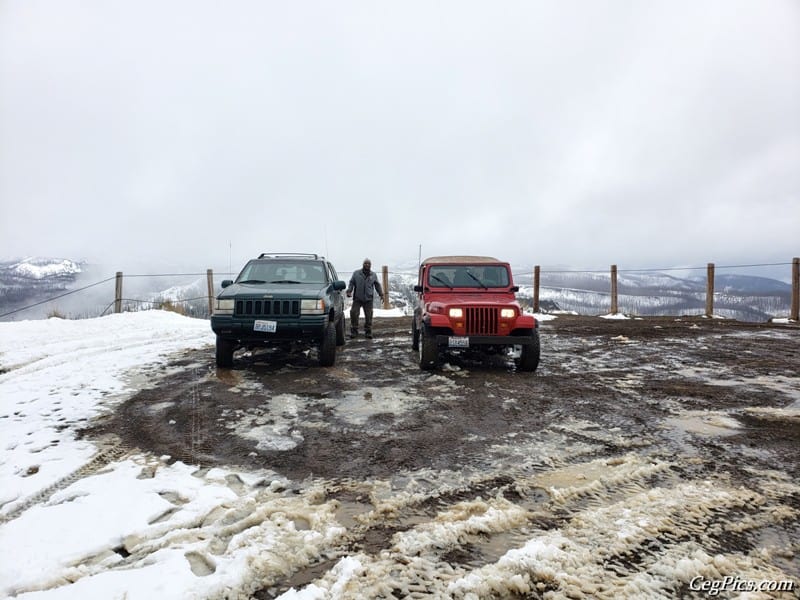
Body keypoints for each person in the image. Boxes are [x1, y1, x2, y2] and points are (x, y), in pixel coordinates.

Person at [346, 258, 385, 339]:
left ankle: (368, 331)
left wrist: (381, 294)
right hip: (357, 298)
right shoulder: (356, 273)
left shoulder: (373, 275)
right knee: (354, 313)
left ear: (370, 265)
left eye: (368, 264)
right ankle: (354, 330)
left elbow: (377, 285)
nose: (367, 265)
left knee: (369, 315)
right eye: (365, 263)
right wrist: (349, 291)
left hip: (368, 299)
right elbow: (351, 282)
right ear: (363, 264)